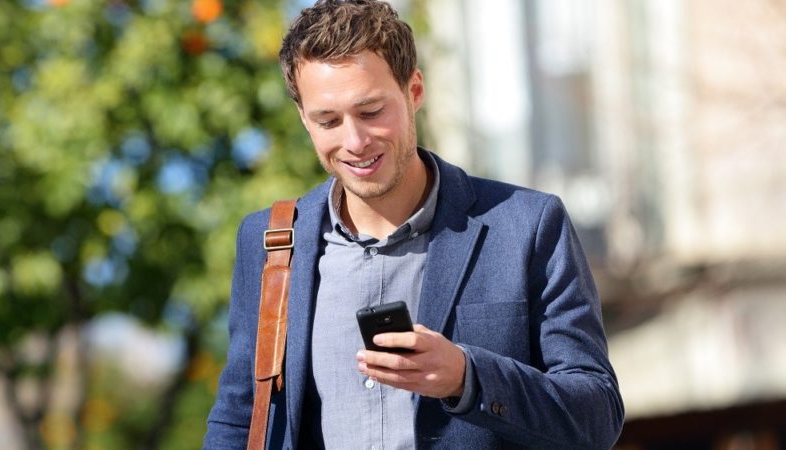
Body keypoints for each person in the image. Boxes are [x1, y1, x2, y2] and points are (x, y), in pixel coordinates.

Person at [203, 1, 624, 448]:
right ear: (303, 118)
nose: (354, 142)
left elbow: (597, 416)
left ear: (414, 91)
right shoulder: (270, 242)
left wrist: (467, 377)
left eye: (370, 112)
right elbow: (239, 418)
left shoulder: (527, 226)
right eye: (328, 120)